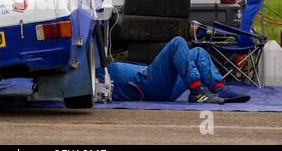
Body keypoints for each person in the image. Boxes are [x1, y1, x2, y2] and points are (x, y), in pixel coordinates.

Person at [97, 37, 251, 104]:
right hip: (147, 82)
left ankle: (219, 88)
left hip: (159, 85)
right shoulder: (94, 77)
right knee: (177, 42)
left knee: (198, 52)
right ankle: (197, 91)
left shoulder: (99, 69)